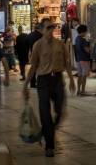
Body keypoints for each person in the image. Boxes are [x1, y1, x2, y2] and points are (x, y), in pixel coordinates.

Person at [23, 19, 76, 157]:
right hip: (43, 81)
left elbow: (67, 62)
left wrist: (71, 79)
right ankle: (49, 146)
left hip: (57, 79)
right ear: (41, 30)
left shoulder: (60, 44)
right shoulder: (37, 46)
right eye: (48, 28)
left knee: (60, 111)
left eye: (52, 27)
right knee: (45, 113)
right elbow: (33, 66)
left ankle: (47, 130)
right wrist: (25, 85)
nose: (51, 30)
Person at [74, 25, 91, 96]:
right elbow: (87, 50)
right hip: (84, 59)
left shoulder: (77, 39)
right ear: (84, 31)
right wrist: (91, 48)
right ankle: (83, 91)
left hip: (78, 59)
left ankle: (78, 90)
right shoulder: (83, 40)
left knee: (80, 75)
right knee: (84, 76)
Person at [27, 23, 44, 89]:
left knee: (33, 68)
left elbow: (26, 43)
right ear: (39, 29)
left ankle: (32, 83)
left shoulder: (30, 35)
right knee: (40, 68)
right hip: (40, 54)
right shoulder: (41, 35)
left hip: (33, 53)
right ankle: (40, 82)